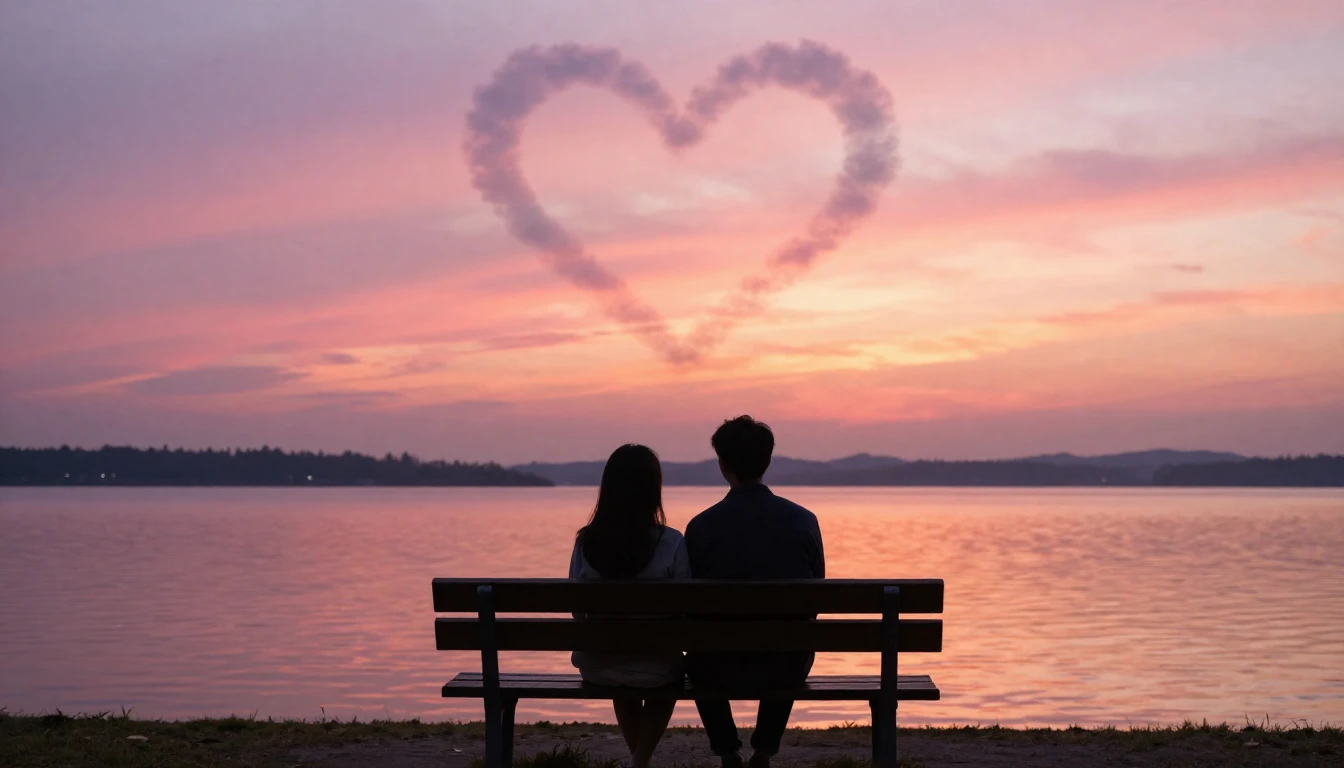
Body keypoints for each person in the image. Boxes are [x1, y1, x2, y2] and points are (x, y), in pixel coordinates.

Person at [684, 416, 825, 768]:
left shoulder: (700, 527)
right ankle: (763, 750)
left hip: (715, 666)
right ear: (768, 461)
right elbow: (816, 601)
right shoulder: (804, 520)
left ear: (722, 465)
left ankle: (727, 751)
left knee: (698, 650)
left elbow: (688, 609)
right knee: (793, 639)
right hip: (785, 666)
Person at [569, 443, 690, 768]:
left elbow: (576, 611)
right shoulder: (673, 542)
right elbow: (685, 613)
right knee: (661, 671)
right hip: (658, 667)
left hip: (598, 666)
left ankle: (640, 761)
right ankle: (639, 761)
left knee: (621, 668)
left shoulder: (586, 541)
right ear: (654, 490)